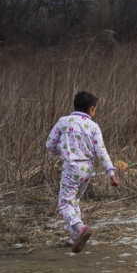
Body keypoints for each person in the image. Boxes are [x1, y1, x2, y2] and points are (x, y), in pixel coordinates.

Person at [46, 91, 120, 253]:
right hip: (87, 169)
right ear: (91, 109)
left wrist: (58, 150)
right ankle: (75, 237)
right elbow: (101, 151)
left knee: (64, 203)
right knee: (74, 201)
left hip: (71, 167)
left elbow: (50, 144)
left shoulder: (63, 122)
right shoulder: (93, 126)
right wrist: (111, 174)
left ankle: (80, 228)